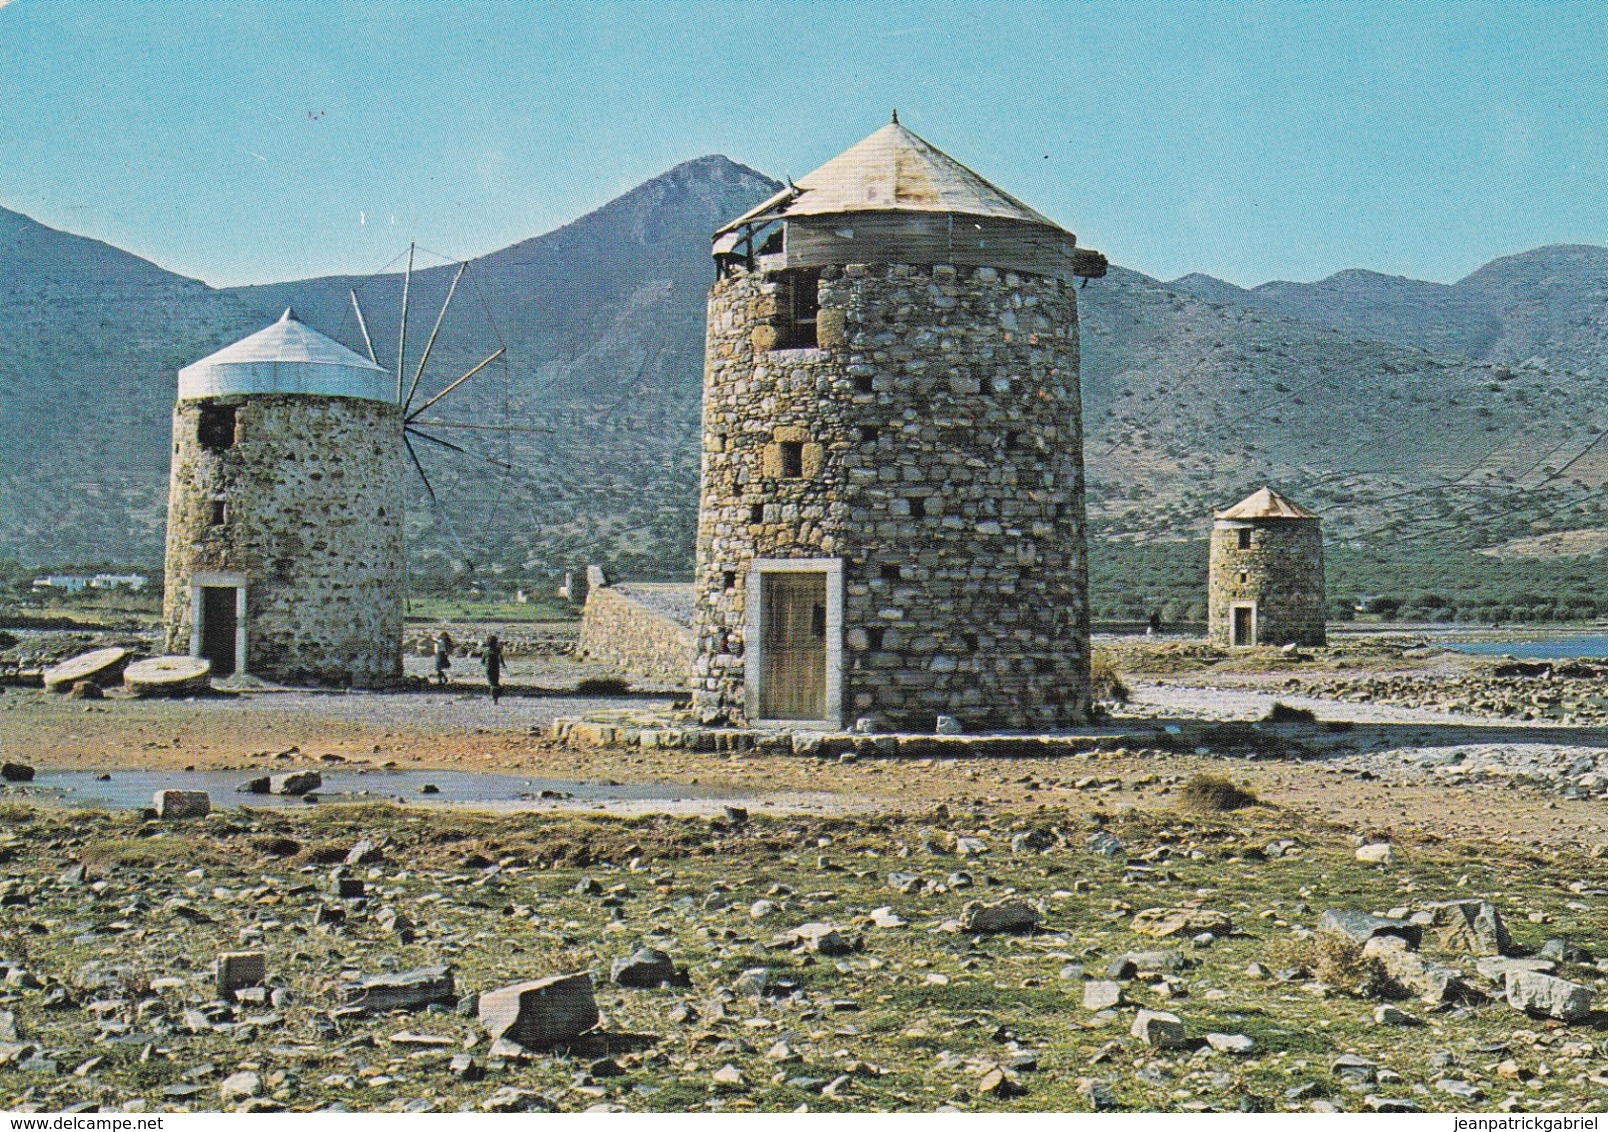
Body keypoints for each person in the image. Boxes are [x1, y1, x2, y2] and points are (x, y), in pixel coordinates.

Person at [483, 634, 503, 704]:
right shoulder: (497, 650)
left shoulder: (486, 650)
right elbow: (501, 658)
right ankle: (496, 698)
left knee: (492, 684)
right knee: (495, 684)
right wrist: (503, 665)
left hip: (488, 669)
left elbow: (482, 661)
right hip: (496, 669)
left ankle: (494, 698)